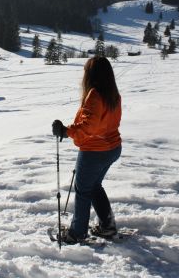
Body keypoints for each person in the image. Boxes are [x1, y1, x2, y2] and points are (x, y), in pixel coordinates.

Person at [52, 56, 122, 244]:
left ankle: (77, 233)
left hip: (95, 151)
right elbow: (103, 123)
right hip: (112, 148)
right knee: (94, 186)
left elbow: (89, 127)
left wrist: (66, 131)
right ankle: (107, 226)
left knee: (83, 190)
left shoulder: (95, 95)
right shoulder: (113, 94)